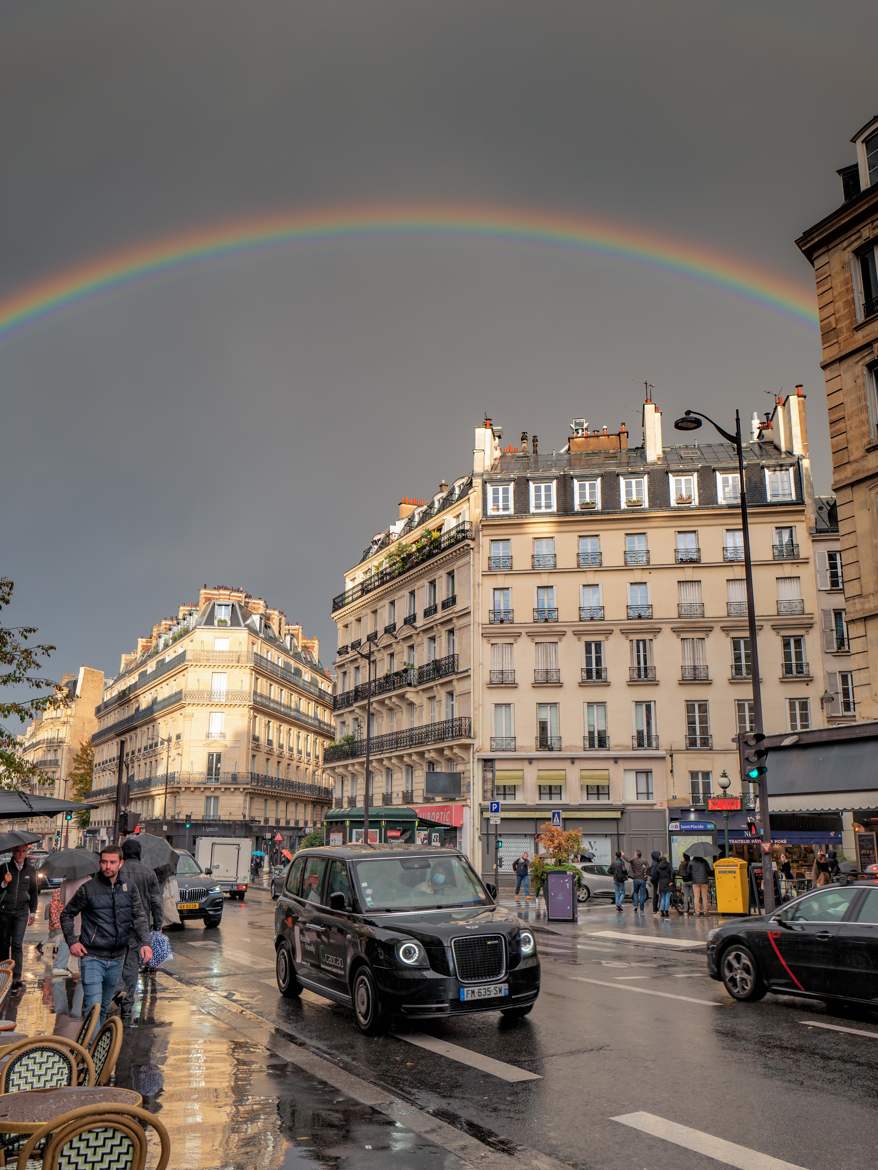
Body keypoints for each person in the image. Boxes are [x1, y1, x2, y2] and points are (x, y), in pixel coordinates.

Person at [61, 846, 152, 1024]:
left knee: (103, 1007)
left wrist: (145, 943)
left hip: (117, 957)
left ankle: (95, 1049)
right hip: (92, 956)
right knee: (92, 1007)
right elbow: (66, 914)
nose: (107, 866)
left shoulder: (129, 888)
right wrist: (72, 941)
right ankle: (88, 1049)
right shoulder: (88, 889)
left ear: (121, 863)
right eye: (104, 862)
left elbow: (139, 916)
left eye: (112, 862)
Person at [115, 838, 164, 1006]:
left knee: (116, 960)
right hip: (140, 925)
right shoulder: (149, 872)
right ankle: (128, 1002)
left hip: (117, 922)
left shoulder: (118, 871)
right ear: (139, 853)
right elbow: (156, 901)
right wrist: (158, 924)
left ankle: (117, 993)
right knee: (132, 965)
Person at [0, 845, 39, 988]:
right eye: (18, 851)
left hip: (21, 913)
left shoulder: (31, 870)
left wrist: (33, 912)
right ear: (13, 852)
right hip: (4, 912)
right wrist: (4, 882)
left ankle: (16, 977)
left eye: (23, 851)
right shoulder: (4, 867)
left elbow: (34, 892)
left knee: (17, 944)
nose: (20, 854)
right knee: (4, 944)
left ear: (26, 852)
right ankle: (3, 975)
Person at [648, 850, 662, 915]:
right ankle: (655, 909)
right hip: (657, 881)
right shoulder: (655, 863)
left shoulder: (655, 862)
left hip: (656, 881)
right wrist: (654, 880)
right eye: (659, 854)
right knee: (656, 895)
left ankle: (655, 909)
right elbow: (654, 874)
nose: (660, 856)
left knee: (656, 895)